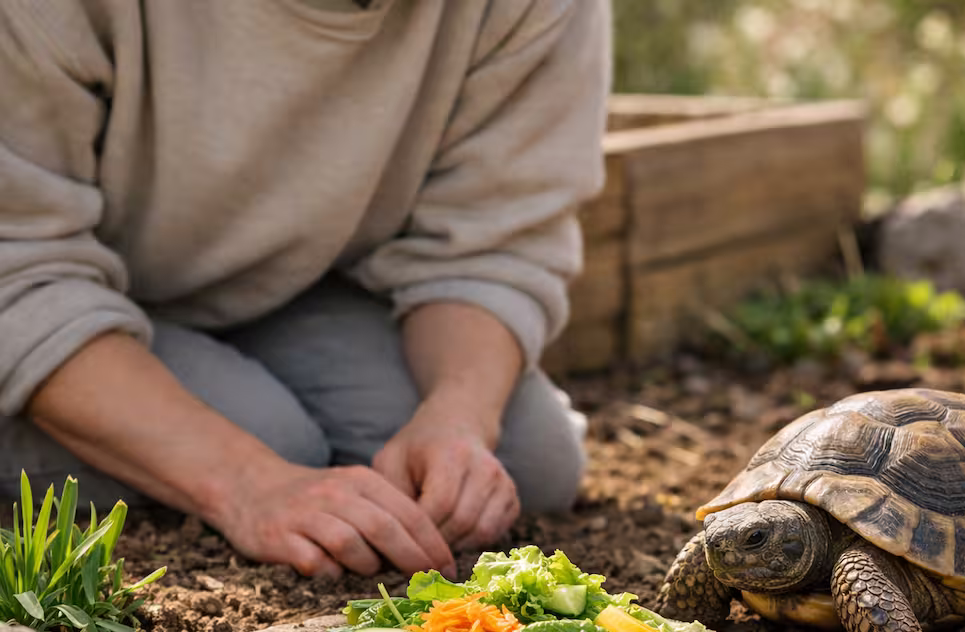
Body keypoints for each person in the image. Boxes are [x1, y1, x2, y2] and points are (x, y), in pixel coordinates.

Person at [0, 0, 611, 579]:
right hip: (59, 296)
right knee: (272, 437)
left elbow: (490, 241)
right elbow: (18, 267)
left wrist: (460, 415)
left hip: (290, 292)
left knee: (524, 458)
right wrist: (247, 483)